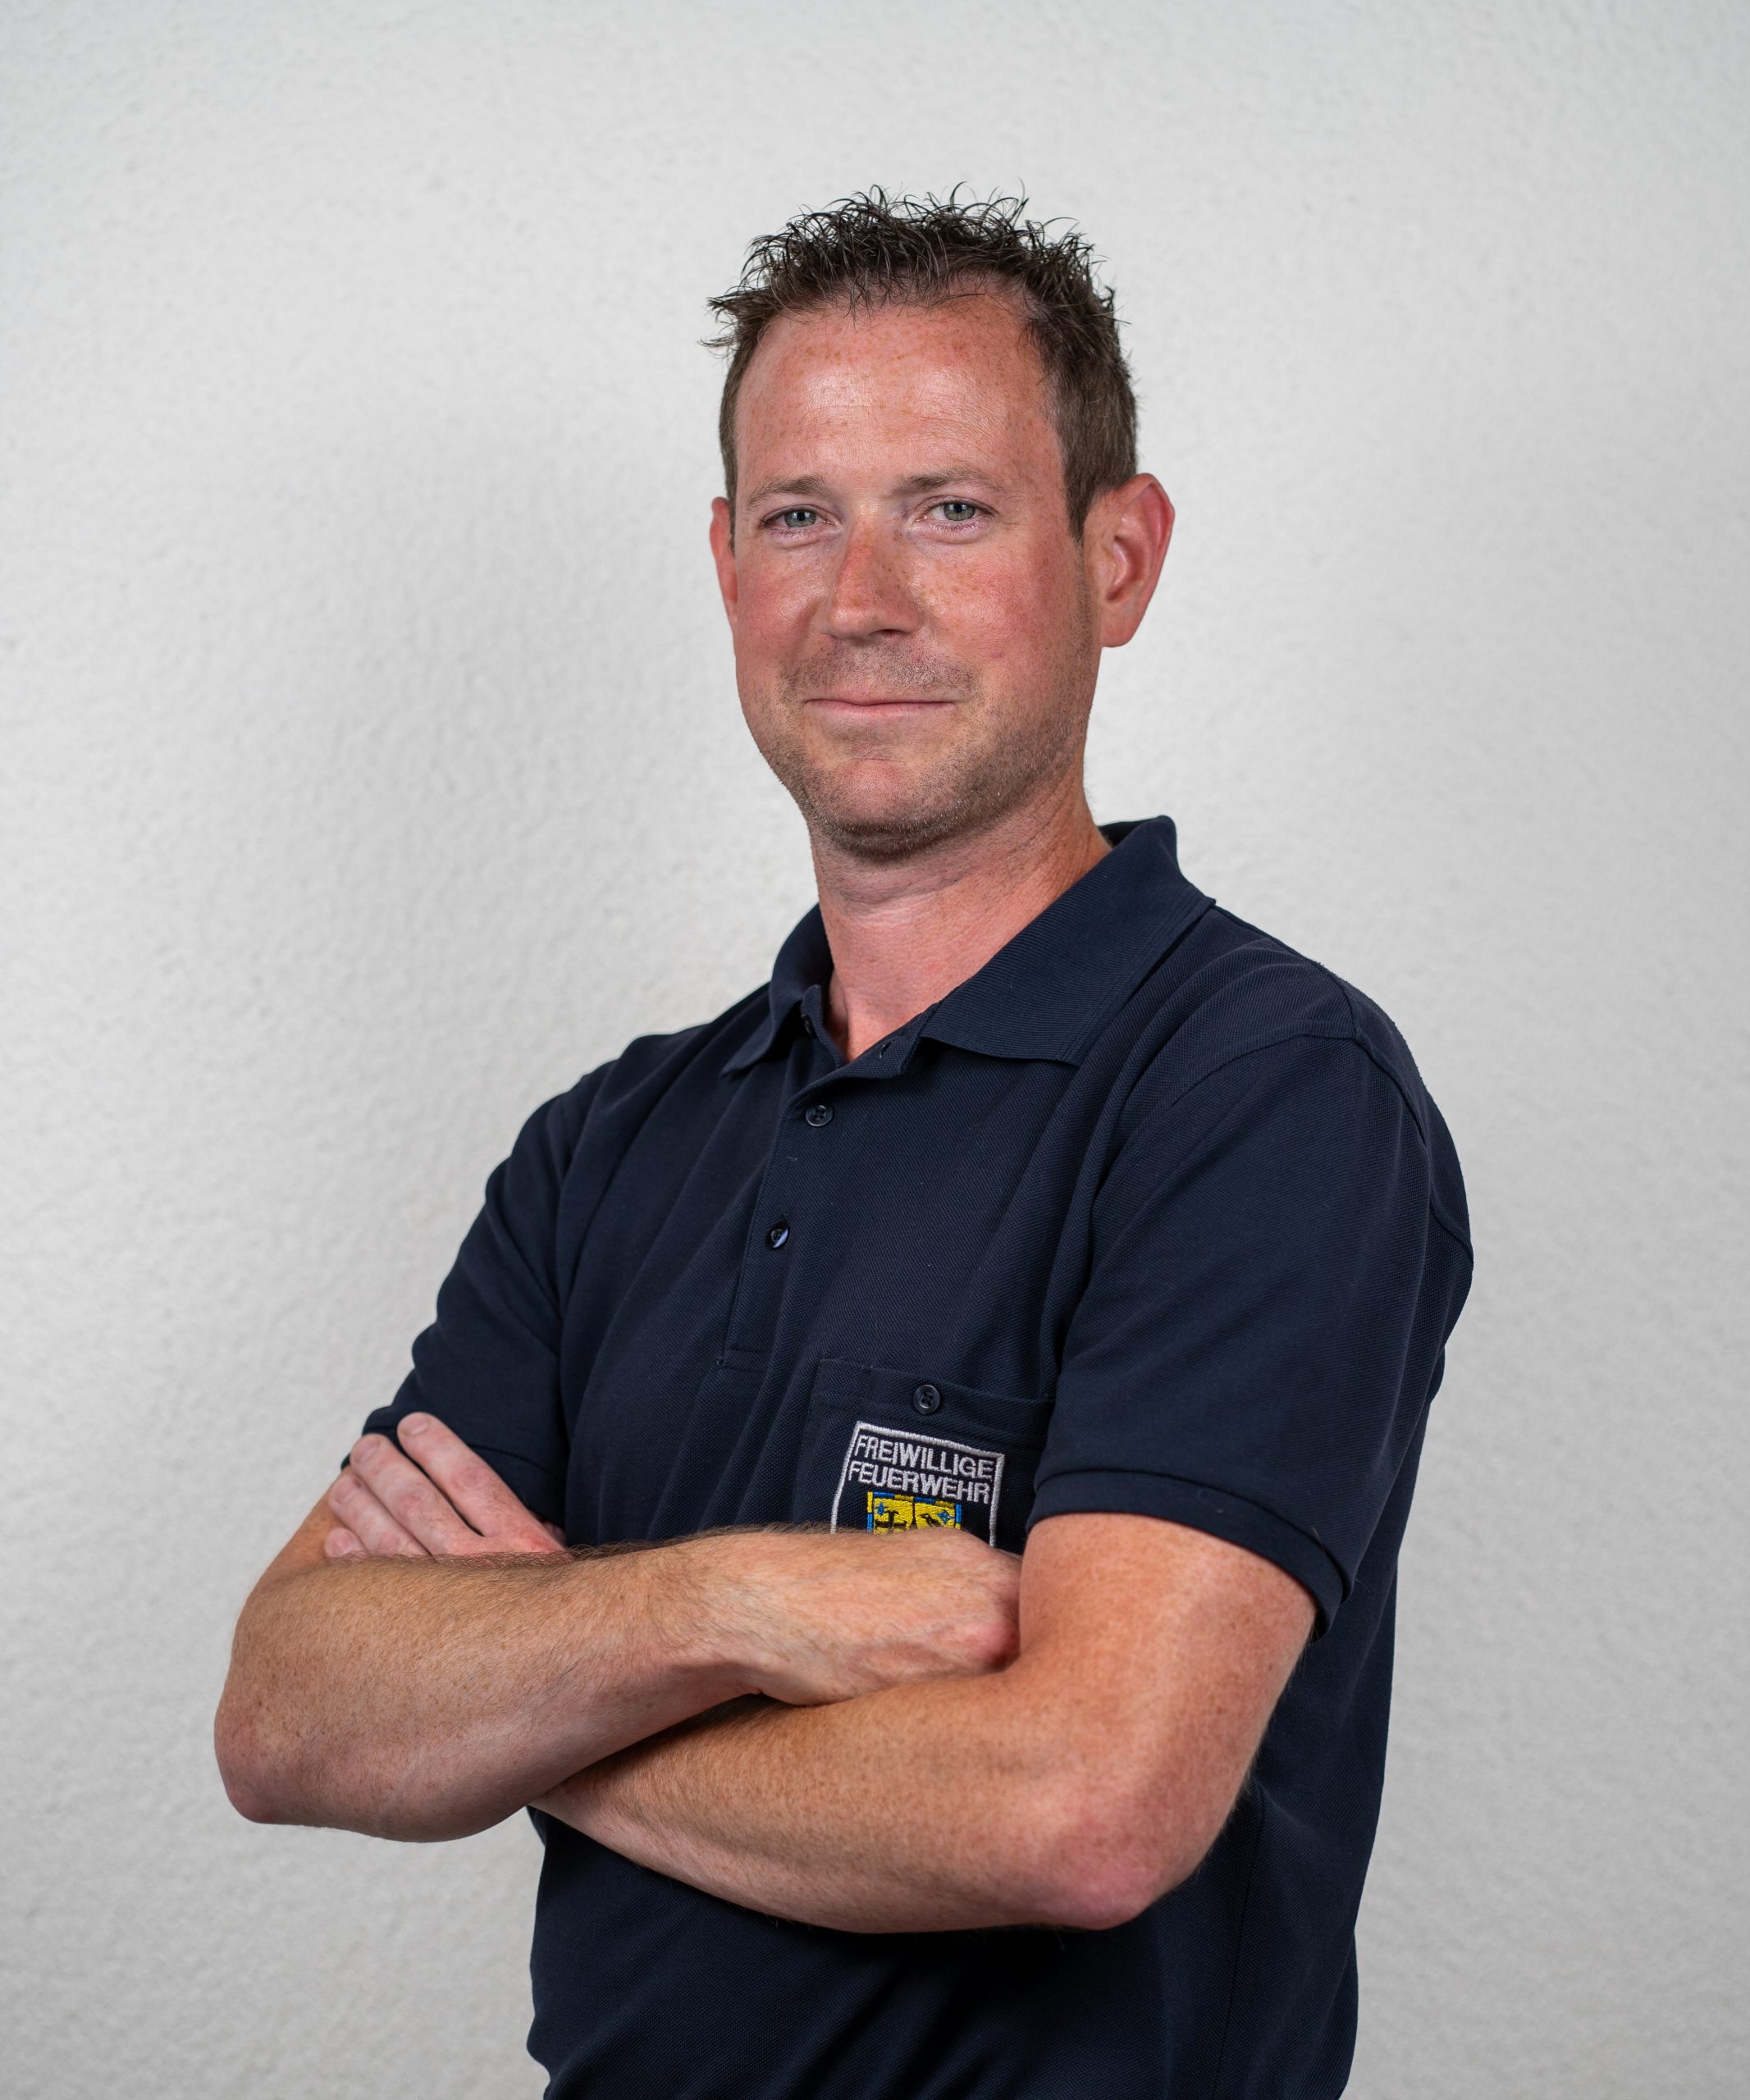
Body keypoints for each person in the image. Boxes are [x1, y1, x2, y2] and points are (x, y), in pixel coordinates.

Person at [215, 190, 1474, 2099]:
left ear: (1116, 556)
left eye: (948, 508)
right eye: (800, 514)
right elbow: (288, 1709)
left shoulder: (1262, 1093)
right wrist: (739, 1602)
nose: (861, 596)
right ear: (726, 561)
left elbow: (1078, 1805)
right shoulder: (609, 1146)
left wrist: (527, 1693)